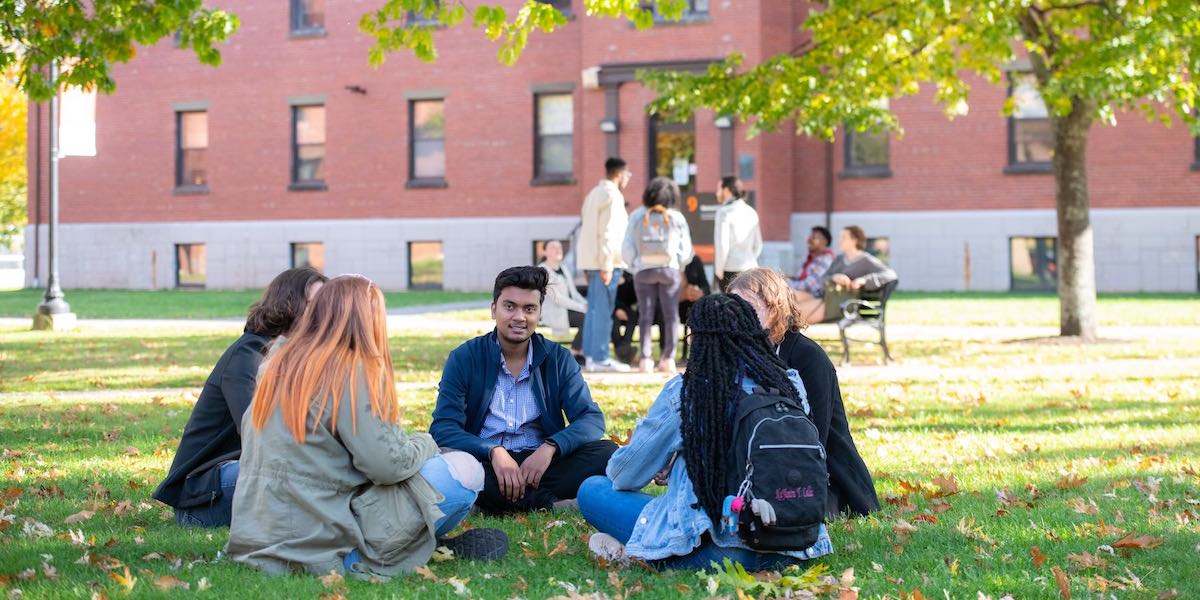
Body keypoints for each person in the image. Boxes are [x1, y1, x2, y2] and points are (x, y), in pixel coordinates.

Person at [228, 275, 508, 578]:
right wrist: (426, 443)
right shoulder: (347, 369)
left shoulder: (277, 360)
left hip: (259, 541)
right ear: (368, 319)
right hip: (321, 546)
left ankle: (420, 543)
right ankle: (395, 550)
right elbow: (387, 465)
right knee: (466, 469)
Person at [577, 294, 833, 570]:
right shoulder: (790, 383)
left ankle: (639, 552)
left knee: (592, 489)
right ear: (754, 335)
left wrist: (664, 459)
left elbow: (624, 475)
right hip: (800, 548)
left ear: (698, 339)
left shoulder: (688, 391)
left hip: (722, 553)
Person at [430, 266, 618, 514]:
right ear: (493, 309)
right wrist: (493, 451)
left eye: (529, 309)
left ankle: (492, 504)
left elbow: (591, 419)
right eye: (510, 307)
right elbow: (443, 428)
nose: (519, 317)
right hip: (484, 463)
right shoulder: (465, 358)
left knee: (607, 453)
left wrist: (551, 447)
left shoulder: (558, 358)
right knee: (444, 464)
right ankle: (548, 504)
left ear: (539, 314)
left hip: (539, 466)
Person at [154, 267, 327, 528]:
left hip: (254, 471)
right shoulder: (248, 356)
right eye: (315, 304)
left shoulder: (295, 357)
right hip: (203, 497)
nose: (323, 313)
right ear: (289, 303)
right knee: (302, 474)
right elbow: (260, 435)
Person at [727, 268, 880, 517]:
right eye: (732, 308)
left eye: (747, 307)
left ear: (774, 307)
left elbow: (812, 436)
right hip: (760, 466)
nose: (737, 316)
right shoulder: (738, 353)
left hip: (820, 476)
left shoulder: (808, 358)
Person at [622, 176, 694, 373]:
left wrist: (636, 264)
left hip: (644, 270)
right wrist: (677, 263)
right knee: (671, 315)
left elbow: (626, 247)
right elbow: (686, 250)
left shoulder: (637, 215)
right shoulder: (676, 217)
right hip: (669, 269)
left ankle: (646, 359)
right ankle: (667, 359)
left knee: (645, 314)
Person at [577, 157, 633, 372]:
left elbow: (587, 232)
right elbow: (609, 233)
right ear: (619, 174)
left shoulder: (592, 194)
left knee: (594, 310)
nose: (628, 179)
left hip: (592, 261)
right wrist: (607, 264)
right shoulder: (612, 196)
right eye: (627, 175)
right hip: (605, 263)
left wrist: (587, 264)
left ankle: (592, 356)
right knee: (602, 311)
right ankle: (599, 357)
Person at [793, 225, 897, 324]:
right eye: (840, 237)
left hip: (842, 305)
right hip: (827, 298)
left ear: (854, 240)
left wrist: (864, 280)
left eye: (844, 237)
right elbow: (823, 279)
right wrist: (835, 277)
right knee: (790, 303)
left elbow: (890, 274)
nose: (840, 240)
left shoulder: (866, 260)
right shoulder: (839, 259)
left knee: (793, 316)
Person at [538, 239, 588, 358]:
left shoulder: (564, 269)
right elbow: (557, 298)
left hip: (567, 309)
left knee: (592, 315)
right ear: (544, 252)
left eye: (559, 247)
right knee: (587, 318)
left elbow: (574, 294)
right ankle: (575, 351)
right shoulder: (542, 271)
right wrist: (581, 307)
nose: (558, 250)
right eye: (553, 247)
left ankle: (583, 352)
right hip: (554, 312)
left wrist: (586, 304)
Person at [713, 176, 762, 292]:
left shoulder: (723, 212)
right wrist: (749, 260)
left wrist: (719, 272)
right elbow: (758, 244)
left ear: (726, 190)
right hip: (751, 269)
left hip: (730, 271)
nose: (717, 193)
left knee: (729, 308)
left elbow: (722, 246)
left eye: (718, 189)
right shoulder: (751, 211)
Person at [789, 226, 836, 298]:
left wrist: (785, 285)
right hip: (803, 294)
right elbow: (797, 278)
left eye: (813, 238)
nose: (808, 240)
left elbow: (808, 285)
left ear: (824, 242)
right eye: (809, 237)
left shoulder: (825, 259)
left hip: (816, 298)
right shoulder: (810, 258)